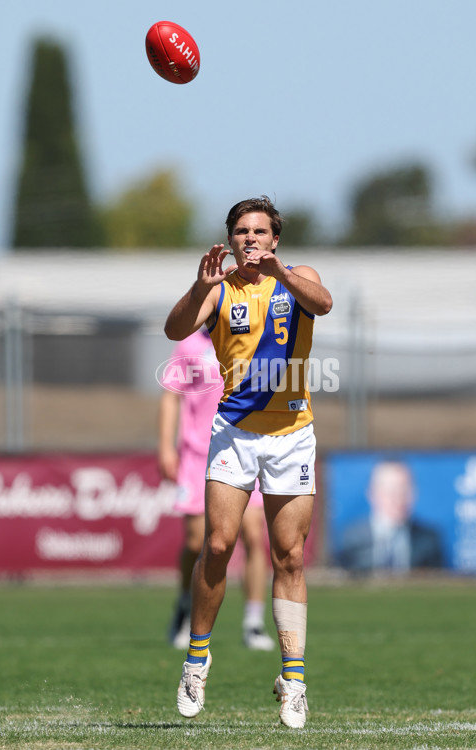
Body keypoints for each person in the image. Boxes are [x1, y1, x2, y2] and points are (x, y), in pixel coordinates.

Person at [164, 195, 333, 729]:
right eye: (241, 231)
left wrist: (280, 271)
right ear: (230, 239)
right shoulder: (220, 290)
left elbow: (323, 303)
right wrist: (200, 286)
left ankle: (294, 679)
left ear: (275, 238)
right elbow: (173, 331)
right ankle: (197, 660)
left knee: (289, 555)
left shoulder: (295, 275)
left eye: (260, 231)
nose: (251, 238)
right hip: (234, 434)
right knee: (217, 544)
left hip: (291, 435)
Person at [159, 326, 275, 651]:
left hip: (243, 449)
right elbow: (171, 396)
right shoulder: (190, 344)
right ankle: (185, 604)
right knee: (198, 542)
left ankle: (253, 623)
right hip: (198, 456)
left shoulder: (252, 335)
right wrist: (166, 448)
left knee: (254, 535)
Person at [338, 459, 444, 573]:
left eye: (404, 490)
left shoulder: (428, 541)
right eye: (391, 491)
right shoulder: (350, 539)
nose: (398, 498)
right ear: (372, 493)